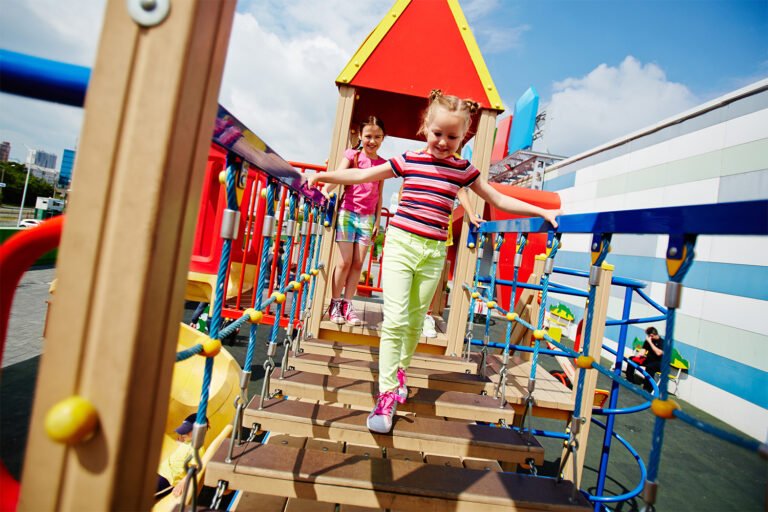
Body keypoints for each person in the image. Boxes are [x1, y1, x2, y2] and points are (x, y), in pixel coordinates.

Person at [307, 90, 561, 434]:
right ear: (425, 128)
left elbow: (497, 197)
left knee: (414, 323)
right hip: (401, 245)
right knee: (395, 320)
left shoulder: (462, 170)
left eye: (453, 137)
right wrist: (325, 177)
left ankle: (400, 372)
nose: (444, 142)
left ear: (464, 136)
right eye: (438, 133)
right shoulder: (409, 160)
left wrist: (541, 210)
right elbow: (363, 177)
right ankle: (384, 397)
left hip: (433, 253)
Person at [322, 116, 386, 326]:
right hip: (347, 213)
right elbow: (339, 175)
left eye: (377, 137)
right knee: (344, 261)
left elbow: (379, 193)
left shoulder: (382, 164)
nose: (372, 141)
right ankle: (335, 302)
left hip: (367, 218)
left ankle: (348, 305)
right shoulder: (353, 155)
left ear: (383, 138)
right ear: (360, 136)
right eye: (368, 136)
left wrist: (377, 220)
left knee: (358, 263)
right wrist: (325, 189)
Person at [156, 414, 208, 499]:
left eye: (187, 430)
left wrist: (182, 483)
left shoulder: (198, 448)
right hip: (160, 471)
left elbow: (195, 469)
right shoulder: (187, 442)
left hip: (167, 480)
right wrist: (180, 442)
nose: (183, 433)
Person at [625, 326, 664, 392]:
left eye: (648, 335)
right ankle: (630, 379)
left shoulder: (662, 342)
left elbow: (659, 353)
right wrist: (637, 357)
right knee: (631, 359)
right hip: (649, 360)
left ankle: (647, 388)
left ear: (651, 335)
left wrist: (650, 342)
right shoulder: (648, 341)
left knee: (650, 367)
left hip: (659, 363)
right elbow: (642, 352)